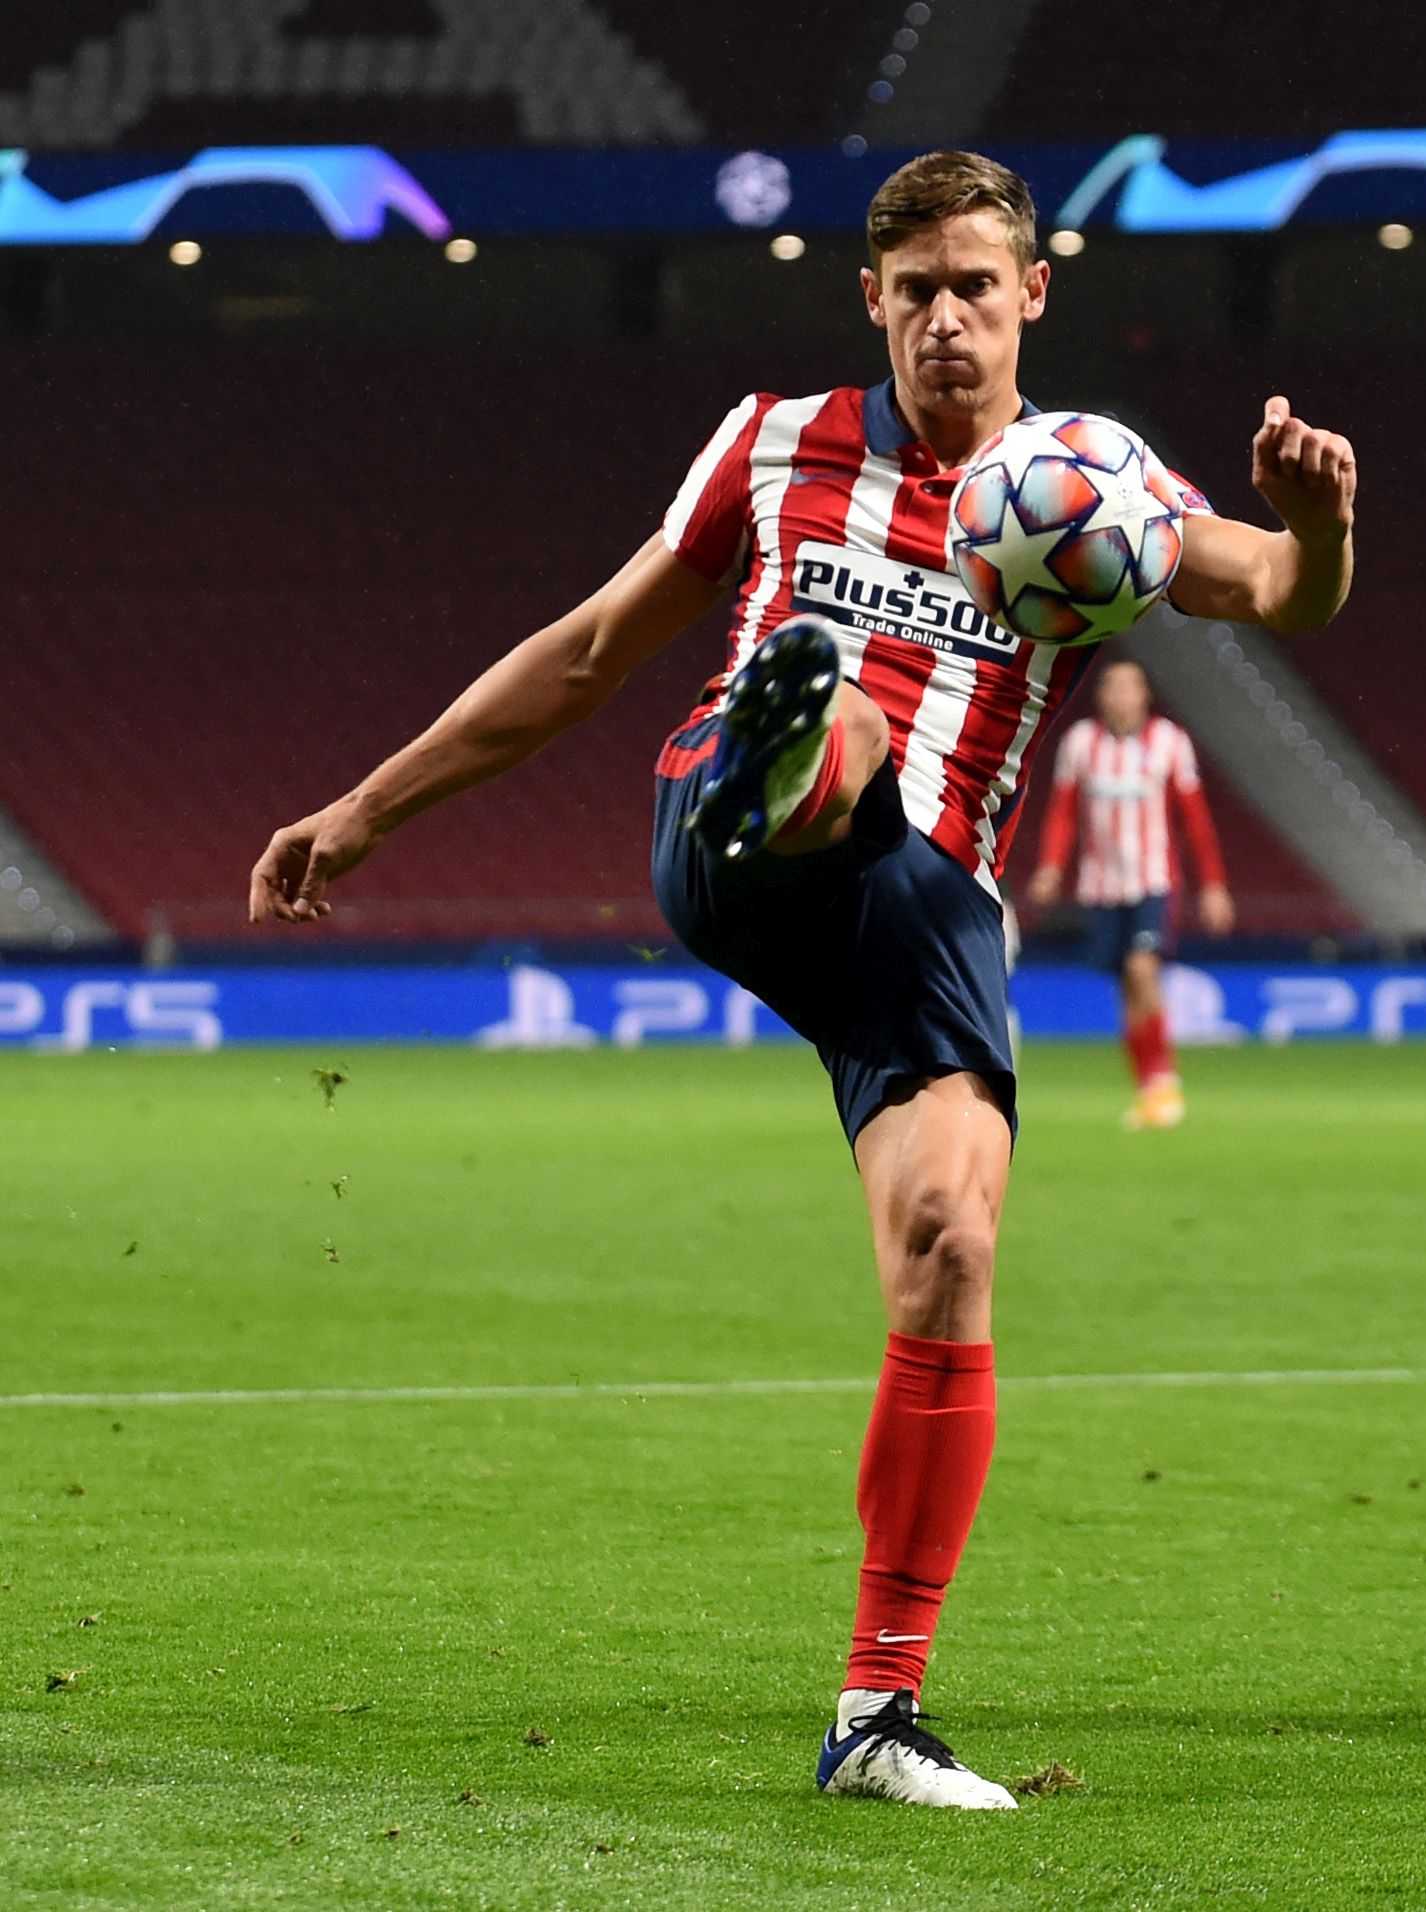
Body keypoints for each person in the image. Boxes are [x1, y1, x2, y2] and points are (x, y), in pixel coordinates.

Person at [246, 150, 1358, 1807]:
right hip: (733, 825)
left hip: (923, 906)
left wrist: (1320, 520)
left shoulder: (1095, 483)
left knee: (951, 1244)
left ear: (1031, 292)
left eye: (973, 286)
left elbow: (1277, 590)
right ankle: (796, 752)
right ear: (870, 300)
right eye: (914, 291)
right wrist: (365, 808)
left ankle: (876, 1717)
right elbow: (588, 651)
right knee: (831, 708)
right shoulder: (774, 440)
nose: (944, 319)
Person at [1022, 658, 1233, 1129]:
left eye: (1128, 687)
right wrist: (1051, 868)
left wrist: (1213, 884)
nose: (1119, 696)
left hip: (1153, 881)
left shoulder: (1170, 741)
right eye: (1111, 687)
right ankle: (1147, 1090)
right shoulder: (1081, 743)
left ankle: (1164, 1082)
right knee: (1126, 987)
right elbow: (1062, 812)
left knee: (1142, 970)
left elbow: (1195, 818)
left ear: (1144, 695)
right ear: (1100, 696)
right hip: (1101, 885)